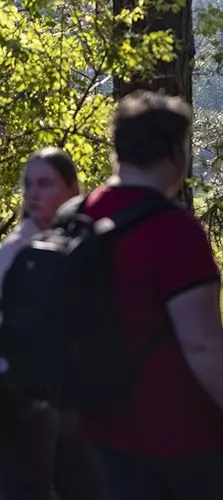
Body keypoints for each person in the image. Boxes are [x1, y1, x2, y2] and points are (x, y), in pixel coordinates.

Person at [76, 91, 223, 500]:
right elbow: (202, 343)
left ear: (117, 150)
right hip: (177, 433)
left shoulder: (79, 216)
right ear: (177, 156)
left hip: (97, 424)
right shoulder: (174, 232)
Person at [0, 148, 105, 500]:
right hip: (18, 392)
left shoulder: (82, 248)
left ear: (72, 190)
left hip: (72, 391)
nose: (33, 193)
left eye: (45, 183)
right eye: (29, 184)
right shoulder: (16, 251)